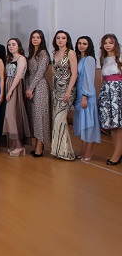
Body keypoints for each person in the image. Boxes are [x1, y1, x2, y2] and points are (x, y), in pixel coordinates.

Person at [50, 30, 77, 161]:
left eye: (63, 38)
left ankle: (66, 152)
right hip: (56, 90)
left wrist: (68, 91)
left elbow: (74, 73)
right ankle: (59, 150)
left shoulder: (70, 53)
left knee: (60, 119)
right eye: (58, 38)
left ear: (67, 40)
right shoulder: (54, 53)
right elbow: (54, 72)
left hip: (67, 90)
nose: (60, 40)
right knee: (56, 120)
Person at [25, 30, 51, 157]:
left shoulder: (43, 53)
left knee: (40, 117)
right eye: (33, 37)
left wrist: (31, 88)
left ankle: (40, 146)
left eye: (38, 37)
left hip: (39, 86)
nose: (35, 39)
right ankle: (37, 144)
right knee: (34, 117)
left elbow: (40, 72)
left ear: (42, 40)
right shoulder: (31, 53)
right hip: (30, 85)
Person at [74, 36, 99, 161]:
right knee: (83, 123)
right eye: (80, 43)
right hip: (79, 93)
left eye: (84, 43)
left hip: (87, 94)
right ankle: (83, 151)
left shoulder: (89, 59)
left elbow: (89, 79)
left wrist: (85, 96)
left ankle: (89, 152)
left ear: (89, 46)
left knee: (89, 124)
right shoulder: (80, 59)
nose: (82, 45)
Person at [2, 38, 29, 157]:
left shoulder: (21, 58)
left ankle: (19, 146)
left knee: (12, 115)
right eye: (9, 45)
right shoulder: (10, 59)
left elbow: (18, 76)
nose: (11, 46)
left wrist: (10, 91)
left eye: (13, 44)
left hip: (15, 86)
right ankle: (14, 144)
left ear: (19, 46)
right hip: (8, 83)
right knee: (9, 116)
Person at [98, 34, 122, 165]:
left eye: (110, 43)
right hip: (107, 92)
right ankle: (117, 152)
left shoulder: (120, 58)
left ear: (115, 44)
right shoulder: (104, 59)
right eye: (105, 43)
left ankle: (116, 155)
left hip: (118, 92)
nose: (108, 45)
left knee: (119, 124)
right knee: (112, 124)